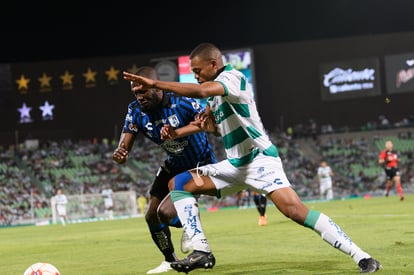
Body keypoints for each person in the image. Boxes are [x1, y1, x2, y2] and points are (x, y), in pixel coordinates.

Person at [123, 42, 381, 273]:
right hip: (235, 165)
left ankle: (363, 257)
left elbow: (200, 92)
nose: (196, 75)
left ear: (214, 64)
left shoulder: (233, 78)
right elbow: (214, 128)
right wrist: (196, 126)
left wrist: (155, 84)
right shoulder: (215, 95)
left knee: (296, 211)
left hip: (260, 161)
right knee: (178, 183)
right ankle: (202, 252)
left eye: (198, 71)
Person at [113, 66, 217, 274]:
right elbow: (125, 145)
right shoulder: (135, 110)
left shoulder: (182, 102)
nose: (140, 97)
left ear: (156, 87)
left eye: (143, 91)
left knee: (165, 213)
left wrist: (177, 132)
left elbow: (209, 124)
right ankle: (170, 260)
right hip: (173, 164)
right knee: (151, 215)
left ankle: (191, 228)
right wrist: (121, 153)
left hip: (199, 163)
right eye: (136, 93)